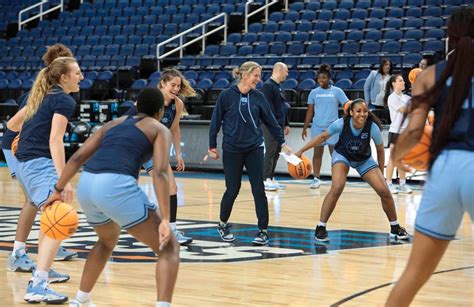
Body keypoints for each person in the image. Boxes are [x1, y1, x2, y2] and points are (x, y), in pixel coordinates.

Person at [46, 87, 179, 306]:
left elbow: (78, 157)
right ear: (159, 112)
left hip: (87, 184)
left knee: (106, 240)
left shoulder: (111, 125)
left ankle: (80, 300)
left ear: (137, 106)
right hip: (114, 184)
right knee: (169, 247)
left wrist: (57, 190)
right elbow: (161, 173)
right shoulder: (158, 128)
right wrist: (165, 218)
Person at [386, 7, 473, 306]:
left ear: (449, 37)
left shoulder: (429, 75)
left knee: (412, 274)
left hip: (444, 169)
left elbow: (412, 132)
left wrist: (396, 159)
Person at [6, 57, 83, 303]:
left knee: (52, 218)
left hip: (26, 163)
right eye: (77, 73)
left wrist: (26, 136)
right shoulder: (63, 100)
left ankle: (43, 272)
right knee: (59, 215)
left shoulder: (39, 95)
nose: (81, 77)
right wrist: (64, 180)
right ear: (64, 78)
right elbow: (55, 140)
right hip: (40, 164)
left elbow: (11, 124)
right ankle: (38, 284)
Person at [296, 99, 410, 242]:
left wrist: (381, 172)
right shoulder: (341, 123)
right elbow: (322, 137)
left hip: (364, 160)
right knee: (337, 187)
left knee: (384, 191)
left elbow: (380, 151)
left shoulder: (372, 127)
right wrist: (301, 150)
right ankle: (321, 227)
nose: (362, 114)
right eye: (358, 111)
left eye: (365, 111)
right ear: (350, 113)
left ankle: (395, 227)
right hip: (342, 156)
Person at [208, 61, 292, 245]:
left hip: (254, 148)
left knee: (258, 190)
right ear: (244, 75)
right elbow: (215, 121)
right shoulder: (226, 95)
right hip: (232, 149)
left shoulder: (259, 97)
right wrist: (212, 146)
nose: (258, 79)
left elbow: (271, 122)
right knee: (232, 189)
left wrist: (283, 143)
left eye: (259, 75)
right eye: (255, 75)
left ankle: (263, 231)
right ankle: (222, 224)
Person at [124, 68, 196, 245]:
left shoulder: (177, 104)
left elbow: (175, 129)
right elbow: (130, 121)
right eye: (173, 85)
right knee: (128, 189)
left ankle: (172, 230)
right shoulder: (150, 101)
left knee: (171, 187)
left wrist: (178, 153)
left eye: (178, 86)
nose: (176, 89)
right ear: (163, 83)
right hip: (137, 146)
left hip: (156, 151)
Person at [302, 65, 350, 189]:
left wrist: (343, 121)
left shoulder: (337, 91)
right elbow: (309, 111)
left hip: (332, 128)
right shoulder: (313, 93)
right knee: (317, 153)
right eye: (319, 78)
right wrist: (305, 127)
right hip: (317, 127)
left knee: (335, 155)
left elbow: (348, 106)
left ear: (329, 78)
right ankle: (316, 178)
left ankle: (337, 179)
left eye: (323, 78)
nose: (321, 80)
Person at [261, 62, 290, 191]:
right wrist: (275, 125)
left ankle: (271, 177)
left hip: (278, 125)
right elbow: (268, 109)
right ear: (279, 70)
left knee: (277, 152)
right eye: (286, 71)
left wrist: (286, 123)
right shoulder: (268, 86)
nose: (287, 74)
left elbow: (282, 107)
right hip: (270, 126)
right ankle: (265, 179)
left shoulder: (279, 87)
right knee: (271, 151)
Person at [383, 75, 413, 194]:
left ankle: (402, 184)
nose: (403, 82)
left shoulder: (406, 97)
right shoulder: (392, 98)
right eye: (400, 81)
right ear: (393, 84)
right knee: (393, 158)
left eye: (403, 81)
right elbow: (404, 110)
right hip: (395, 131)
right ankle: (389, 184)